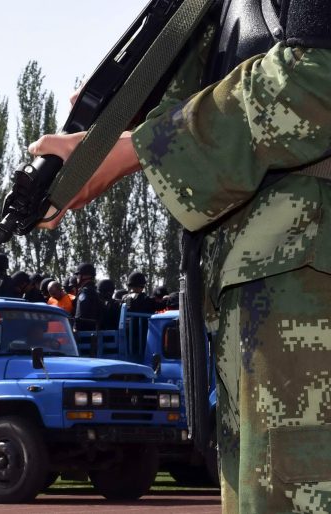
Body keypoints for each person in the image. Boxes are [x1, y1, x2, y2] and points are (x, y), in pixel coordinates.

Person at [27, 3, 331, 509]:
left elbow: (318, 75)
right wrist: (118, 121)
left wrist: (138, 148)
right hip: (262, 280)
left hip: (306, 280)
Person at [72, 263, 101, 331]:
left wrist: (74, 328)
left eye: (78, 275)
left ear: (84, 276)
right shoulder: (95, 291)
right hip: (93, 333)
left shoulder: (84, 292)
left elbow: (79, 317)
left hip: (84, 336)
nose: (77, 277)